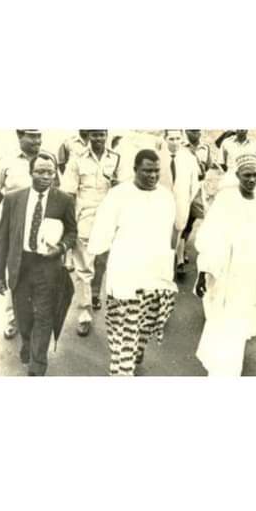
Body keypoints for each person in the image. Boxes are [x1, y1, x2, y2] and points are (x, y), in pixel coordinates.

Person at [87, 149, 178, 376]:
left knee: (146, 322)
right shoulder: (118, 195)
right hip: (125, 273)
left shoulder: (166, 197)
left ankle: (135, 353)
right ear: (135, 169)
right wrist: (101, 265)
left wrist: (167, 268)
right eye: (147, 171)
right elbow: (101, 235)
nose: (152, 176)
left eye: (156, 171)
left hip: (155, 273)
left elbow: (169, 234)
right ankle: (121, 371)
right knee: (123, 327)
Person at [0, 154, 77, 376]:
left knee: (44, 316)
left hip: (48, 267)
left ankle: (37, 365)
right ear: (31, 173)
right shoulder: (13, 199)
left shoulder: (64, 200)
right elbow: (3, 238)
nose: (46, 176)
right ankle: (28, 343)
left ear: (55, 174)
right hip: (21, 265)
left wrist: (60, 248)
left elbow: (72, 232)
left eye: (50, 172)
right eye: (40, 171)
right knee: (23, 315)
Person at [194, 153, 256, 376]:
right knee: (221, 322)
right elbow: (210, 235)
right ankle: (218, 370)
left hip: (250, 274)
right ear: (237, 175)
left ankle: (230, 372)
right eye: (247, 175)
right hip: (225, 273)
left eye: (255, 175)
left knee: (239, 327)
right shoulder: (225, 200)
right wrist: (203, 272)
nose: (252, 179)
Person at [0, 129, 57, 340]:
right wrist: (13, 207)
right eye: (32, 136)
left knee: (40, 270)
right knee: (15, 269)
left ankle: (35, 316)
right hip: (16, 225)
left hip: (42, 223)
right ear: (19, 136)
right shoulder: (6, 160)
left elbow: (57, 188)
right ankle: (12, 318)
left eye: (39, 136)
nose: (37, 140)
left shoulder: (48, 159)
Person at [61, 129, 120, 336]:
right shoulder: (77, 159)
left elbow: (124, 188)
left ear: (106, 135)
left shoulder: (116, 158)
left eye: (101, 134)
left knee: (102, 262)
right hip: (85, 219)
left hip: (109, 219)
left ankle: (94, 294)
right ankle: (84, 313)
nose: (98, 138)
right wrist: (69, 222)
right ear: (89, 136)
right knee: (84, 268)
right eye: (94, 134)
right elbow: (68, 193)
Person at [159, 129, 200, 277]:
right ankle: (162, 266)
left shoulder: (189, 158)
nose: (175, 142)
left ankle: (175, 262)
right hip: (162, 203)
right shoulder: (159, 157)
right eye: (171, 139)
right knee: (161, 232)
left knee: (178, 231)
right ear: (165, 139)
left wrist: (187, 200)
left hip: (181, 202)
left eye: (177, 138)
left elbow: (194, 183)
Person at [180, 129, 213, 263]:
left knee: (191, 221)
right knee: (180, 220)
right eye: (191, 130)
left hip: (197, 187)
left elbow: (208, 166)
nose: (194, 133)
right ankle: (178, 253)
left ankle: (182, 249)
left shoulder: (205, 148)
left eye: (197, 130)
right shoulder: (181, 146)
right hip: (182, 186)